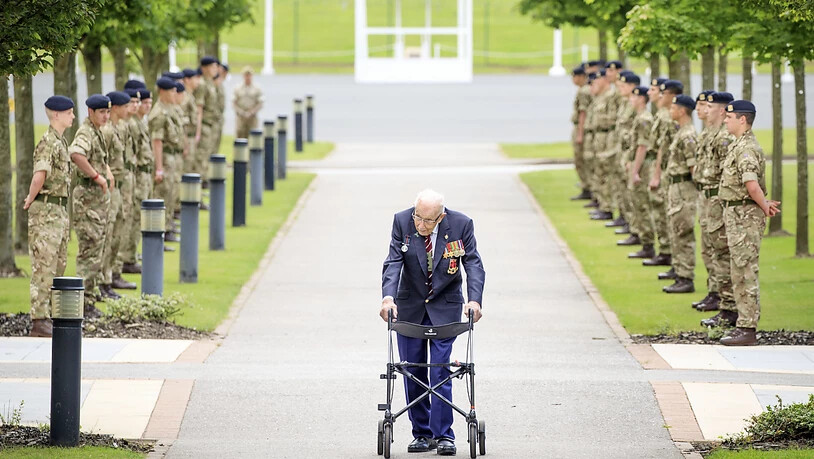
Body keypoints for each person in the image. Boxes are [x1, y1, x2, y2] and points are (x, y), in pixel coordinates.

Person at [380, 189, 485, 456]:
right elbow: (393, 262)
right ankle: (422, 434)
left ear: (441, 216)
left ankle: (444, 435)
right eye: (418, 217)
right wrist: (387, 298)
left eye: (428, 221)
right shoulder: (402, 220)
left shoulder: (461, 224)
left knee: (439, 370)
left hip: (445, 307)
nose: (421, 225)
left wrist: (474, 300)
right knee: (412, 370)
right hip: (409, 306)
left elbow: (472, 263)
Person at [705, 100, 779, 345]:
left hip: (744, 216)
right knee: (738, 271)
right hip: (736, 215)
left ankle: (748, 329)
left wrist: (764, 205)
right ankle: (742, 324)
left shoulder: (746, 148)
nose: (725, 120)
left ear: (742, 120)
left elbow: (751, 184)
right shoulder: (738, 145)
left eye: (729, 117)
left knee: (745, 271)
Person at [24, 96, 75, 337]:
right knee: (44, 266)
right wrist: (30, 198)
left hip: (58, 211)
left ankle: (51, 315)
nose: (73, 117)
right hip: (45, 211)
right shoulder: (48, 142)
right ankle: (39, 320)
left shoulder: (60, 141)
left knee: (58, 265)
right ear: (56, 114)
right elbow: (40, 174)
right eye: (69, 113)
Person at [70, 94, 113, 314]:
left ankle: (90, 297)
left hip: (96, 201)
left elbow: (98, 158)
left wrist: (106, 172)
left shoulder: (97, 132)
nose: (106, 116)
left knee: (97, 249)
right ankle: (83, 303)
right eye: (102, 112)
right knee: (89, 251)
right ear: (91, 112)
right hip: (87, 200)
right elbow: (76, 154)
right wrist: (96, 176)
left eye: (108, 112)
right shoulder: (86, 132)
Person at [694, 91, 735, 313]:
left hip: (718, 198)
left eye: (708, 107)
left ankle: (725, 300)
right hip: (707, 197)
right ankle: (714, 292)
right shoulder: (710, 134)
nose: (703, 110)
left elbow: (727, 173)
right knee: (708, 248)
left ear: (721, 110)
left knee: (720, 251)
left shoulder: (724, 137)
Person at [644, 79, 682, 274]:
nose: (656, 95)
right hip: (660, 166)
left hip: (667, 169)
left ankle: (670, 255)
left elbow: (663, 148)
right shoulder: (662, 115)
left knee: (666, 213)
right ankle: (666, 252)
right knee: (660, 211)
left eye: (660, 92)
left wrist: (657, 174)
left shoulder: (668, 118)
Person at [662, 94, 698, 294]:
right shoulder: (681, 132)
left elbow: (694, 169)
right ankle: (679, 272)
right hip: (676, 187)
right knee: (676, 230)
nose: (670, 110)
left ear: (682, 110)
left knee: (683, 232)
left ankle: (686, 277)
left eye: (673, 107)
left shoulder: (688, 135)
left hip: (684, 189)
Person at [149, 76, 185, 248]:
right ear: (162, 92)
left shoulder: (170, 109)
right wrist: (159, 168)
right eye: (171, 91)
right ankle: (160, 232)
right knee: (162, 194)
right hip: (165, 158)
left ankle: (168, 227)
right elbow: (157, 141)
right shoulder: (158, 113)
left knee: (171, 193)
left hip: (173, 157)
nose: (174, 93)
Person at [626, 86, 657, 260]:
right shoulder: (639, 117)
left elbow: (642, 146)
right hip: (638, 164)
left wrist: (635, 170)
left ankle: (648, 244)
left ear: (642, 99)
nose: (631, 99)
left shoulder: (644, 119)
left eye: (634, 97)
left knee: (643, 204)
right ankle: (643, 240)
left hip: (643, 166)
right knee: (637, 202)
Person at [195, 56, 220, 185]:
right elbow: (199, 108)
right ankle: (199, 187)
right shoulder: (202, 85)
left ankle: (202, 184)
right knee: (201, 158)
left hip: (211, 124)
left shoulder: (211, 83)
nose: (215, 69)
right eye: (212, 66)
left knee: (206, 155)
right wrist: (198, 130)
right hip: (204, 124)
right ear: (204, 68)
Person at [233, 66, 264, 139]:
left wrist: (252, 112)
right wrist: (242, 112)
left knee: (253, 137)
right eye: (246, 75)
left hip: (252, 117)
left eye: (249, 75)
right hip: (241, 117)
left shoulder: (257, 88)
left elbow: (260, 103)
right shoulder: (238, 88)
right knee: (240, 136)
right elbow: (234, 103)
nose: (248, 77)